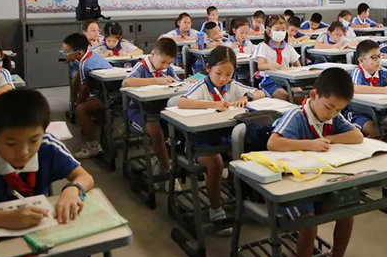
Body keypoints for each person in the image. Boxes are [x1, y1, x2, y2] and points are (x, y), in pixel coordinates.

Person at [0, 89, 94, 228]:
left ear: (43, 132)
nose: (24, 151)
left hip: (36, 227)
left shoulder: (48, 145)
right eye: (11, 143)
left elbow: (85, 177)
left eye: (33, 140)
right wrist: (4, 219)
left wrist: (73, 189)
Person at [268, 68, 362, 257]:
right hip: (294, 186)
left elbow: (357, 136)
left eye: (338, 110)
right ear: (313, 96)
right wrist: (310, 144)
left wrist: (330, 141)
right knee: (308, 223)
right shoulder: (297, 116)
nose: (332, 114)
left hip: (322, 182)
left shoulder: (332, 117)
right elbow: (273, 142)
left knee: (348, 213)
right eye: (329, 107)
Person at [179, 46, 265, 227]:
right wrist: (211, 104)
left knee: (252, 154)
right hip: (200, 139)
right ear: (208, 68)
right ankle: (215, 208)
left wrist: (247, 97)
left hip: (225, 138)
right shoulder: (202, 86)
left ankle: (248, 196)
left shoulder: (232, 85)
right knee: (216, 164)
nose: (223, 79)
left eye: (229, 74)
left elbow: (260, 92)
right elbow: (182, 101)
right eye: (218, 73)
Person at [123, 38, 182, 192]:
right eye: (163, 62)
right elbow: (127, 83)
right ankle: (168, 171)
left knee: (178, 128)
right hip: (139, 112)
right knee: (155, 131)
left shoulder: (167, 68)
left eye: (169, 63)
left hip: (159, 111)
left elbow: (176, 82)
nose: (166, 66)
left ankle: (160, 164)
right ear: (153, 53)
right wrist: (156, 80)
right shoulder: (142, 66)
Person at [348, 40, 387, 143]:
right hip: (358, 113)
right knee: (375, 131)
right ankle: (369, 149)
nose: (378, 60)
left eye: (379, 56)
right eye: (373, 57)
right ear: (361, 61)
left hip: (379, 113)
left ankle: (382, 144)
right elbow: (356, 88)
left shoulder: (382, 71)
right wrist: (383, 90)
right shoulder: (357, 72)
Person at [62, 33, 112, 160]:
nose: (63, 53)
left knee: (81, 110)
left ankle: (93, 147)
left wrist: (76, 104)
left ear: (78, 53)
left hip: (111, 96)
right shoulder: (90, 55)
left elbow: (85, 88)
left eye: (66, 52)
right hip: (107, 91)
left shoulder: (86, 64)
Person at [254, 16, 301, 102]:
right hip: (270, 81)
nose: (281, 32)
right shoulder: (263, 46)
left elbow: (298, 65)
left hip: (287, 79)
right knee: (285, 97)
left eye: (283, 30)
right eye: (277, 30)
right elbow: (260, 65)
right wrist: (270, 66)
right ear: (268, 31)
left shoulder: (288, 47)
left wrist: (294, 70)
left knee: (299, 95)